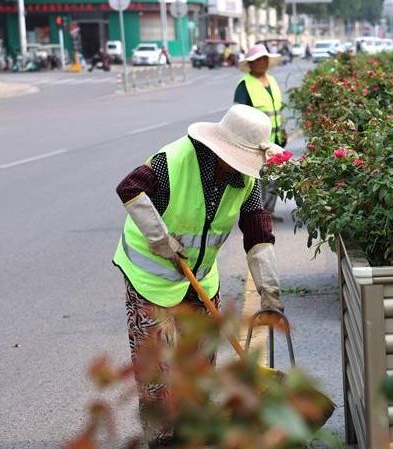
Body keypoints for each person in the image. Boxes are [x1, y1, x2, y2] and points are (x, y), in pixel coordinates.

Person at [112, 105, 285, 447]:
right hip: (150, 275)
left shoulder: (245, 181)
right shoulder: (173, 161)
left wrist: (270, 292)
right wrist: (161, 239)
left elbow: (258, 234)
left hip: (200, 277)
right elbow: (129, 188)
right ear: (221, 147)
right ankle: (162, 437)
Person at [234, 44, 285, 219]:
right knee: (259, 180)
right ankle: (257, 214)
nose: (262, 62)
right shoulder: (244, 85)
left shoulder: (272, 81)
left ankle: (268, 212)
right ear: (250, 64)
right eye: (257, 60)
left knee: (276, 178)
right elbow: (239, 115)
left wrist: (282, 130)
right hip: (256, 142)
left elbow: (278, 108)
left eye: (264, 59)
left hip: (275, 140)